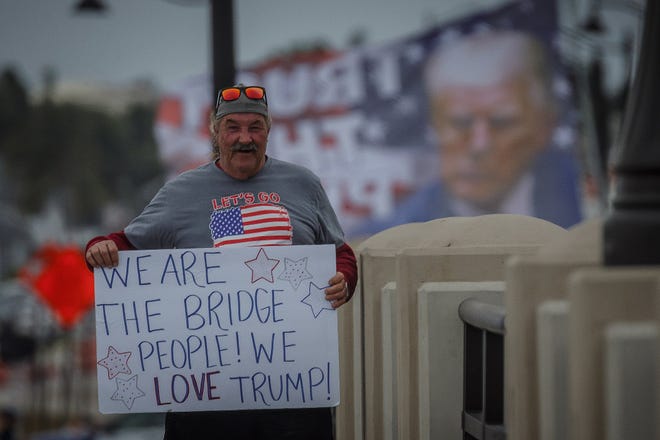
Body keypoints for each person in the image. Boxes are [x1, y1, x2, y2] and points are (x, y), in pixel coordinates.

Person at [85, 84, 357, 440]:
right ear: (216, 132)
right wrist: (98, 247)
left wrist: (344, 278)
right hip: (206, 397)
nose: (244, 138)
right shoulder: (180, 192)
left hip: (295, 393)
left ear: (268, 132)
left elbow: (341, 252)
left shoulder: (304, 184)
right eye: (233, 127)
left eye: (254, 127)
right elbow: (124, 243)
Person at [352, 30, 582, 236]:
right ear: (434, 125)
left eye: (501, 122)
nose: (479, 145)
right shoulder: (395, 229)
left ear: (544, 126)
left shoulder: (578, 194)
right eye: (460, 122)